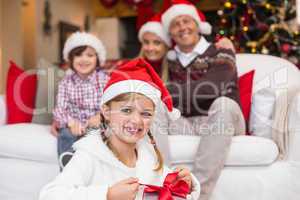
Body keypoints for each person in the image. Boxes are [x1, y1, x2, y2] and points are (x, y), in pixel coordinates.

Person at [39, 58, 200, 200]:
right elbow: (50, 195)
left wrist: (187, 182)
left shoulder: (148, 157)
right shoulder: (90, 155)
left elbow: (170, 190)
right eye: (126, 110)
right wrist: (106, 195)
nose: (136, 120)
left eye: (146, 114)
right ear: (106, 112)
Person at [160, 0, 246, 199]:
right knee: (156, 106)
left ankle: (197, 194)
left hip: (224, 120)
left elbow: (211, 88)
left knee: (222, 102)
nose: (182, 27)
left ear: (198, 25)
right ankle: (164, 184)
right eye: (175, 24)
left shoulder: (222, 51)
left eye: (186, 21)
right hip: (187, 123)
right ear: (170, 33)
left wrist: (167, 91)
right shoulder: (170, 60)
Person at [52, 32, 109, 168]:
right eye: (78, 55)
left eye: (90, 55)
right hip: (73, 125)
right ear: (70, 59)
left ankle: (96, 169)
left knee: (103, 135)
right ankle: (68, 169)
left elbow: (112, 106)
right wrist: (71, 123)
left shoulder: (104, 80)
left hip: (96, 125)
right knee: (65, 134)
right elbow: (60, 109)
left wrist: (100, 117)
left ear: (98, 59)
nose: (84, 59)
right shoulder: (66, 82)